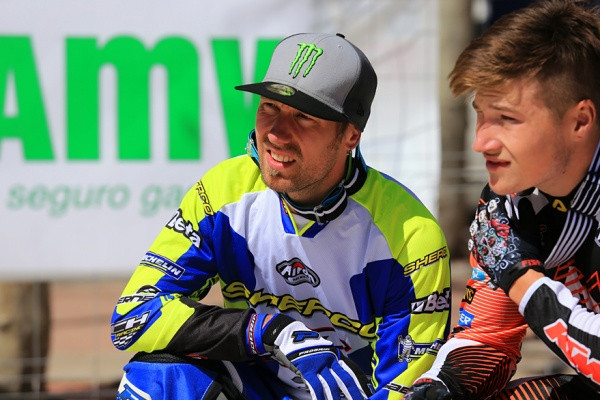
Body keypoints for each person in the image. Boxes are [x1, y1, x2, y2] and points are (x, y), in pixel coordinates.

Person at [110, 32, 451, 400]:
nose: (276, 133)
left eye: (304, 116)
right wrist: (268, 330)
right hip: (254, 387)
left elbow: (403, 391)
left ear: (351, 136)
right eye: (269, 106)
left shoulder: (409, 235)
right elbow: (132, 318)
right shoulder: (224, 193)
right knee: (159, 376)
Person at [405, 1, 600, 399]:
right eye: (480, 114)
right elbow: (488, 337)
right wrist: (438, 389)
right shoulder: (510, 199)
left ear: (580, 120)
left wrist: (521, 280)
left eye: (507, 119)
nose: (480, 143)